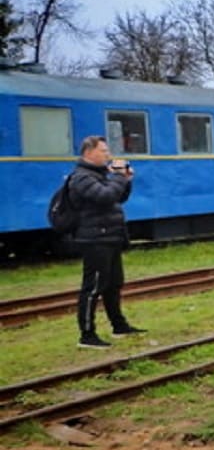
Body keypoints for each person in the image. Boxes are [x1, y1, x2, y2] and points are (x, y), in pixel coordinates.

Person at [70, 135, 146, 348]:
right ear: (89, 152)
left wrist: (125, 181)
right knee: (93, 287)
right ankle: (87, 335)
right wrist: (119, 178)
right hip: (94, 239)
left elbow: (117, 197)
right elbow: (104, 196)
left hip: (110, 236)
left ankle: (119, 325)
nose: (108, 155)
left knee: (113, 284)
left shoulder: (101, 175)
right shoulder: (81, 177)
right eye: (103, 151)